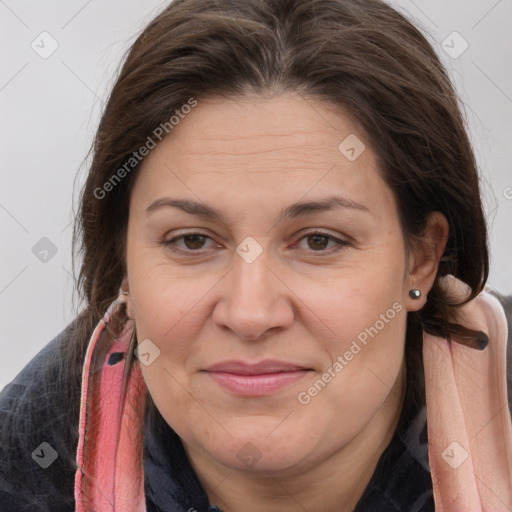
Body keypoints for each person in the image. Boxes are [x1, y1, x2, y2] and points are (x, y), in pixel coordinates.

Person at [1, 0, 511, 510]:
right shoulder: (25, 474)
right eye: (192, 241)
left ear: (420, 258)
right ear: (123, 266)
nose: (250, 314)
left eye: (319, 241)